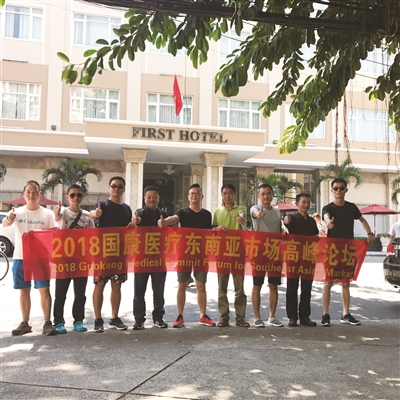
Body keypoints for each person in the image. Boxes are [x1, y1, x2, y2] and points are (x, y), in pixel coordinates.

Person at [3, 180, 58, 336]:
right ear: (24, 194)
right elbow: (5, 224)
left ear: (40, 194)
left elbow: (55, 233)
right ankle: (25, 322)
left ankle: (47, 322)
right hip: (20, 257)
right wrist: (9, 218)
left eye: (35, 192)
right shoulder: (17, 212)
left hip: (40, 259)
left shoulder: (47, 213)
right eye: (28, 192)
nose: (31, 195)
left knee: (44, 290)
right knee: (23, 291)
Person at [158, 183, 216, 328]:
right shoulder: (182, 212)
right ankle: (180, 316)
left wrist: (216, 229)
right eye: (192, 193)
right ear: (188, 196)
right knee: (182, 285)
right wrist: (165, 222)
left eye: (197, 193)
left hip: (201, 254)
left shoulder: (207, 214)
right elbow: (174, 218)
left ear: (202, 196)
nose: (194, 195)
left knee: (201, 285)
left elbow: (209, 231)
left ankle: (203, 316)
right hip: (184, 254)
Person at [321, 178, 375, 326]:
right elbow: (326, 216)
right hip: (332, 250)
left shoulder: (351, 207)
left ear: (346, 190)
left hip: (347, 250)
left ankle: (346, 314)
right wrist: (328, 223)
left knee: (345, 283)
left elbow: (362, 220)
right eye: (336, 188)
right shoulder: (328, 208)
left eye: (341, 188)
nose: (338, 190)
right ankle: (326, 314)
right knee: (328, 282)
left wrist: (369, 233)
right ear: (332, 191)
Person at [89, 176, 133, 332]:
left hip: (120, 253)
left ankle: (114, 318)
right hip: (102, 253)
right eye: (114, 186)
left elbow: (129, 229)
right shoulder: (102, 205)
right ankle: (98, 319)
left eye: (120, 186)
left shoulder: (127, 208)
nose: (116, 189)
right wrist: (96, 214)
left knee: (117, 285)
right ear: (109, 188)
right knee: (99, 285)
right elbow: (92, 214)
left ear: (123, 189)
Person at [53, 184, 95, 334]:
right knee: (60, 293)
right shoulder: (62, 212)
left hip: (81, 261)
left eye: (78, 195)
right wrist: (56, 213)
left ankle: (78, 321)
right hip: (64, 260)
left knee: (80, 293)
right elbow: (56, 219)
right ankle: (58, 322)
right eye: (72, 195)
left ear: (83, 197)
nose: (75, 198)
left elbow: (92, 238)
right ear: (67, 197)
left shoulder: (87, 217)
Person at [131, 186, 168, 330]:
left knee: (158, 291)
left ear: (158, 199)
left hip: (159, 258)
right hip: (142, 258)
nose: (152, 199)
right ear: (144, 198)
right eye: (149, 197)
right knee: (139, 291)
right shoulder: (140, 212)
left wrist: (166, 223)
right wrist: (135, 220)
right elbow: (137, 220)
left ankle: (158, 318)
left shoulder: (163, 214)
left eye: (154, 197)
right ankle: (139, 319)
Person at [213, 184, 249, 328]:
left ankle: (240, 317)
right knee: (222, 287)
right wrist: (216, 229)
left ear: (234, 195)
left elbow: (245, 224)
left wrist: (241, 221)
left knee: (239, 288)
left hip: (238, 252)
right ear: (221, 195)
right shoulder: (217, 212)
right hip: (222, 253)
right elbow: (212, 230)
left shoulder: (241, 210)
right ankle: (224, 317)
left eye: (230, 193)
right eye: (225, 193)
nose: (227, 195)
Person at [250, 183, 284, 327]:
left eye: (268, 193)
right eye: (263, 194)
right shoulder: (255, 208)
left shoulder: (277, 212)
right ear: (258, 196)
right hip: (259, 253)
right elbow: (254, 213)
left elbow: (280, 229)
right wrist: (258, 214)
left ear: (272, 195)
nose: (266, 196)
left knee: (273, 285)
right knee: (257, 284)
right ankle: (257, 317)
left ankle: (272, 316)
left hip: (275, 252)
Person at [284, 193, 319, 327]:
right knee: (291, 288)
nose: (306, 205)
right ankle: (292, 317)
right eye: (303, 202)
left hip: (308, 258)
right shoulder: (292, 219)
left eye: (308, 202)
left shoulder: (311, 221)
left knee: (307, 288)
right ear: (297, 204)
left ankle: (305, 316)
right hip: (293, 258)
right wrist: (286, 221)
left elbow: (315, 237)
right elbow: (286, 225)